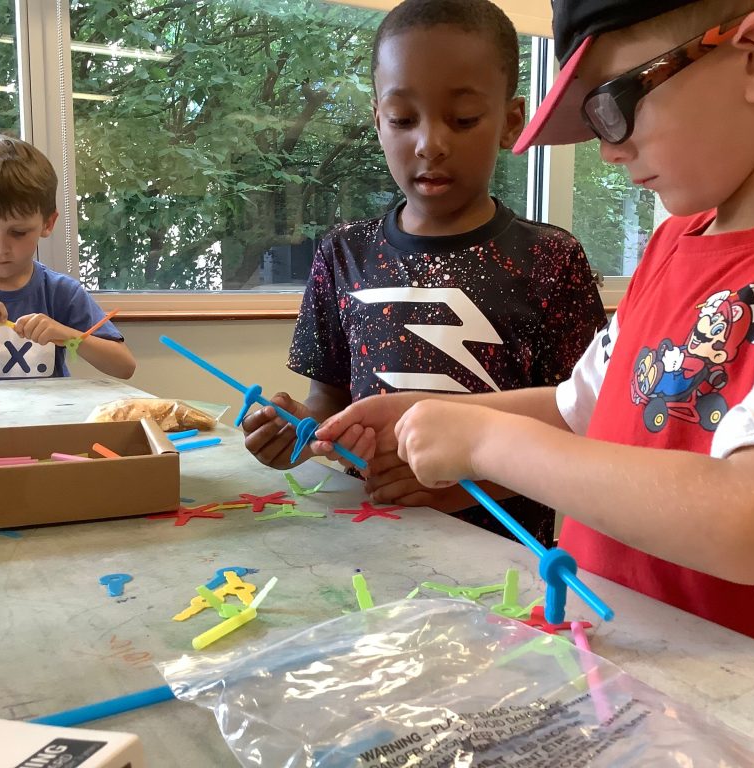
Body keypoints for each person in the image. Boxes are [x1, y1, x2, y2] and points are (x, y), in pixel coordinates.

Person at [314, 0, 754, 690]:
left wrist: (487, 442)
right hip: (617, 668)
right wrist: (421, 413)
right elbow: (583, 407)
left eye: (613, 104)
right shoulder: (676, 242)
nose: (608, 148)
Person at [241, 0, 606, 546]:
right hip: (371, 547)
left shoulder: (552, 259)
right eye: (403, 119)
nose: (430, 143)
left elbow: (586, 426)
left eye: (462, 120)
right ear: (377, 121)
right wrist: (293, 429)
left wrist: (465, 482)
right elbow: (328, 401)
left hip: (505, 562)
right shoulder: (343, 252)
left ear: (510, 122)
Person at [0, 134, 135, 383]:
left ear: (48, 223)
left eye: (18, 232)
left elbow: (124, 366)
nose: (0, 248)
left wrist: (67, 335)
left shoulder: (61, 292)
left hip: (43, 422)